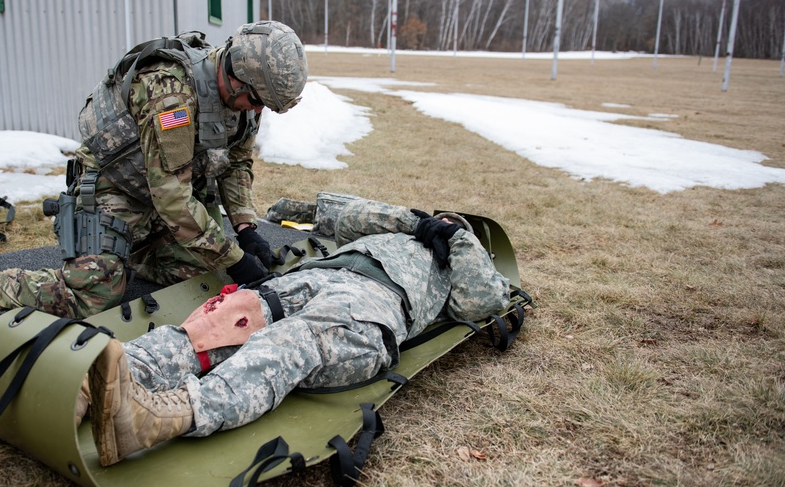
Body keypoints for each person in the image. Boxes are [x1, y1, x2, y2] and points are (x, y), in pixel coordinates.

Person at [0, 21, 309, 321]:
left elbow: (236, 164)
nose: (257, 111)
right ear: (237, 75)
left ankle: (135, 251)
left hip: (162, 205)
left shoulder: (245, 103)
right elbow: (172, 195)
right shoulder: (169, 94)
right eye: (256, 100)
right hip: (112, 192)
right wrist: (235, 257)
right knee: (94, 296)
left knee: (206, 269)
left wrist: (244, 228)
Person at [86, 198, 512, 467]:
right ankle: (99, 381)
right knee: (222, 321)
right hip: (314, 276)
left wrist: (458, 241)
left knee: (293, 340)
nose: (444, 222)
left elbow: (485, 300)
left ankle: (161, 417)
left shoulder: (453, 265)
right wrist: (412, 220)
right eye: (443, 217)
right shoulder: (398, 229)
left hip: (375, 302)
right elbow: (345, 215)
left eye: (453, 223)